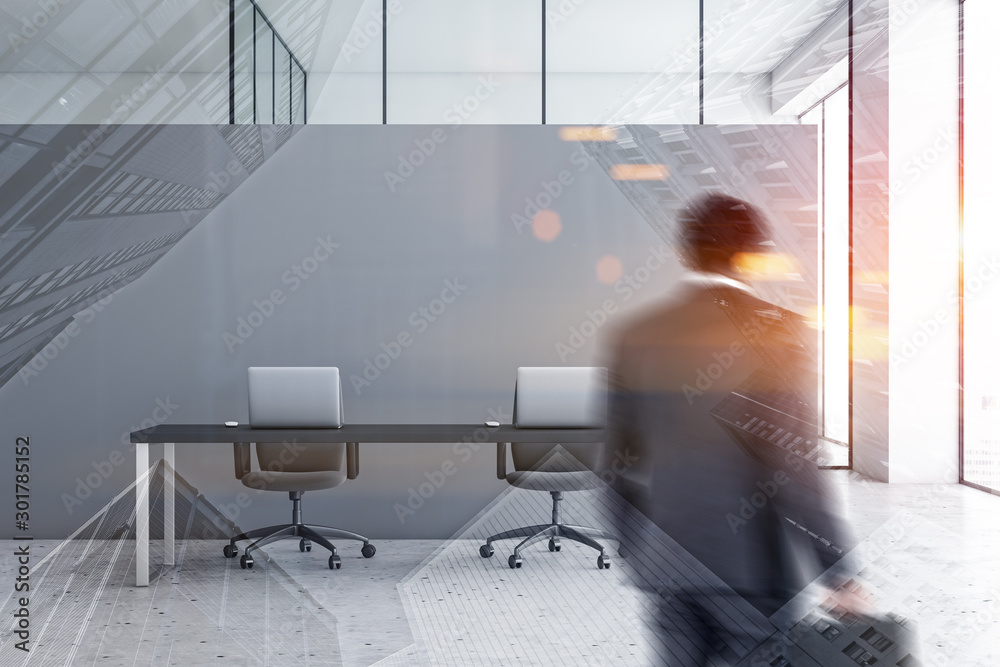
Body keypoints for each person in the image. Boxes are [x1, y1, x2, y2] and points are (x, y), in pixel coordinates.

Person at [604, 194, 854, 665]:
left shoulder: (635, 333)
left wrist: (638, 551)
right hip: (749, 572)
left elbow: (616, 464)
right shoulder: (779, 331)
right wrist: (838, 572)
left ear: (684, 252)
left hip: (667, 566)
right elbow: (793, 466)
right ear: (752, 256)